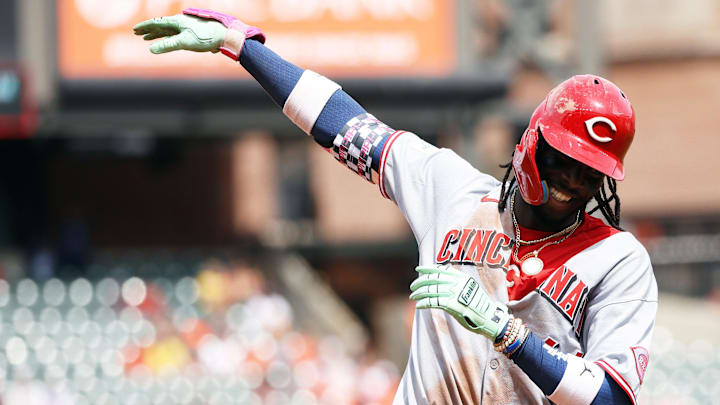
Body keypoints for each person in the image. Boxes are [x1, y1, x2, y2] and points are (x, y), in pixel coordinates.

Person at [134, 9, 657, 405]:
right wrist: (241, 45)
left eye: (591, 171)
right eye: (564, 158)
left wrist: (508, 333)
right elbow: (345, 125)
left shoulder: (619, 260)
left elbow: (611, 398)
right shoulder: (451, 189)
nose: (573, 179)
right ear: (531, 141)